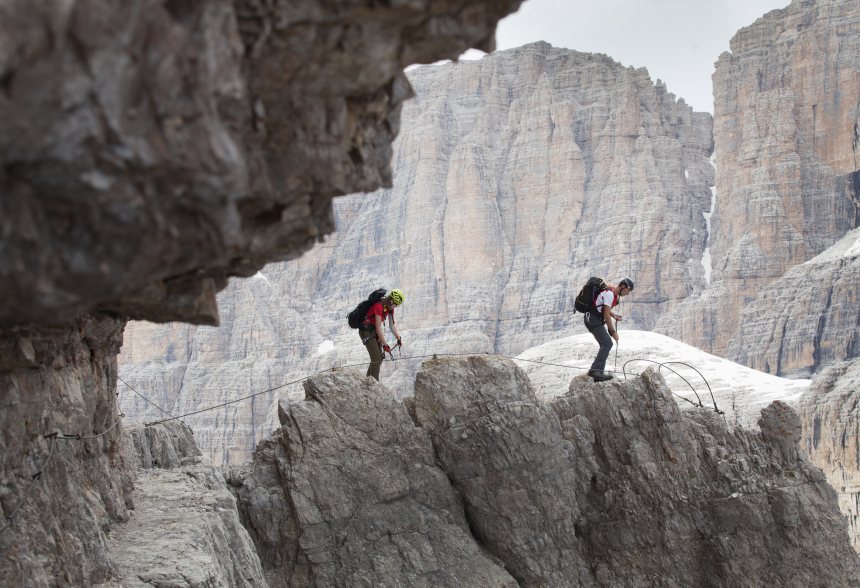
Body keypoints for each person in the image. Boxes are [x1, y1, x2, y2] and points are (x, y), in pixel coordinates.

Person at [584, 278, 634, 382]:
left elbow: (604, 308)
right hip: (593, 320)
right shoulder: (610, 294)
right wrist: (612, 332)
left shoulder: (611, 293)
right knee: (607, 343)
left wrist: (614, 315)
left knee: (605, 344)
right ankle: (595, 371)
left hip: (593, 319)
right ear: (623, 287)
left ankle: (599, 372)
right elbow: (606, 314)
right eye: (628, 291)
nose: (628, 293)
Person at [358, 289, 404, 381]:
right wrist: (385, 344)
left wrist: (398, 337)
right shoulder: (379, 306)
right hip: (366, 331)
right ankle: (374, 384)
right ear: (391, 300)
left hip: (373, 330)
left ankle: (368, 381)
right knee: (376, 358)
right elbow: (379, 327)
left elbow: (391, 325)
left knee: (379, 357)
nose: (396, 306)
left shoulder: (390, 308)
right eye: (396, 304)